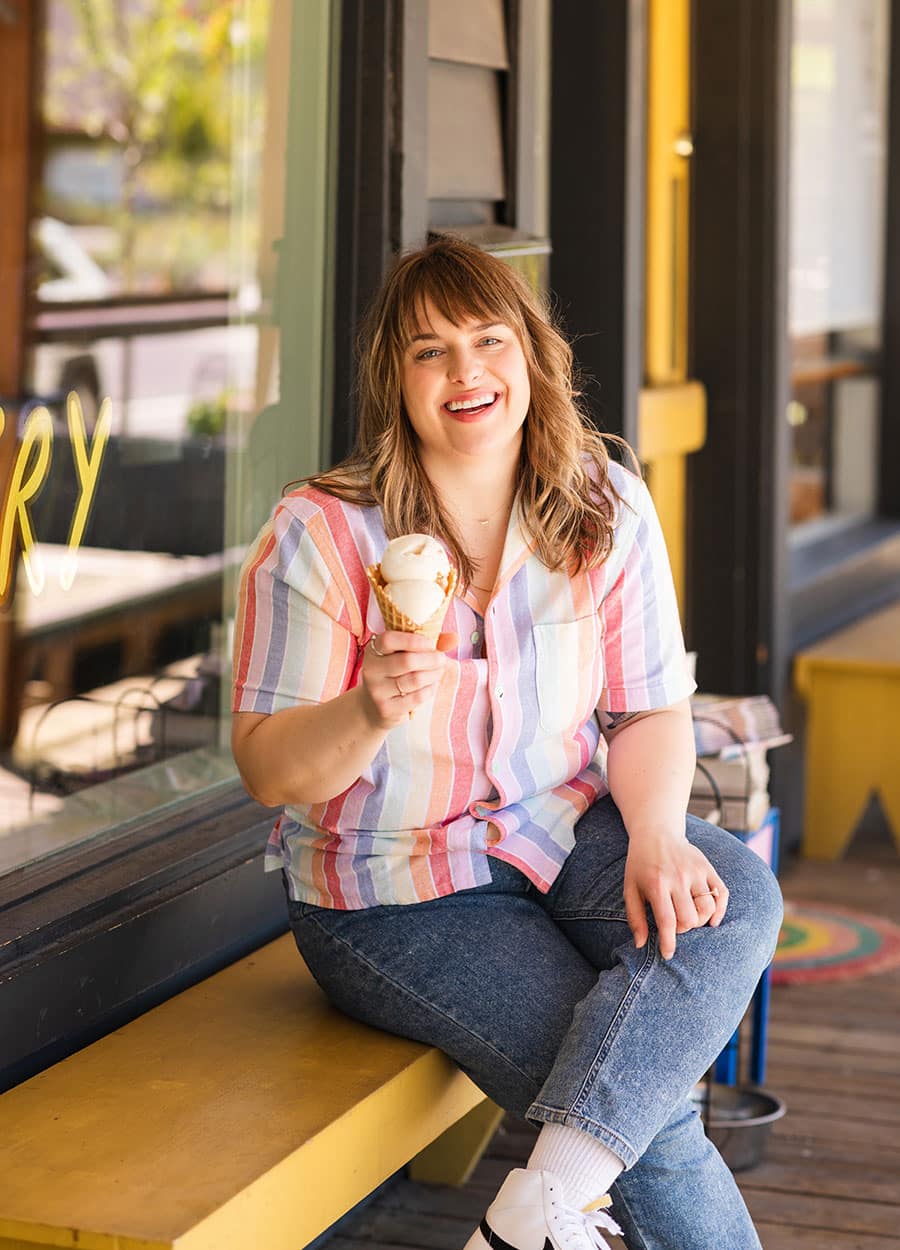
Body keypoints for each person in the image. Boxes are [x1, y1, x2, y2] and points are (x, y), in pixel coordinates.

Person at [231, 237, 783, 1250]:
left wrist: (658, 831)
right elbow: (268, 767)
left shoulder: (603, 504)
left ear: (534, 356)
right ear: (394, 381)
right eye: (429, 350)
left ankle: (536, 1207)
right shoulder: (323, 534)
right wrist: (366, 708)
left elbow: (650, 706)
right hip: (390, 894)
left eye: (490, 339)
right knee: (645, 1111)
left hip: (561, 833)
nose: (466, 372)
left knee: (735, 898)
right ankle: (542, 1206)